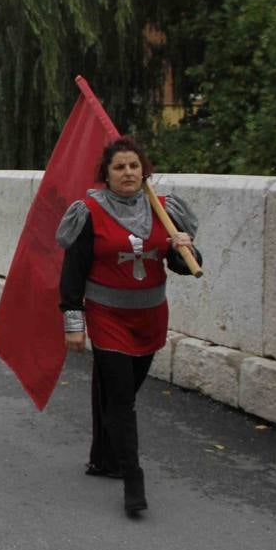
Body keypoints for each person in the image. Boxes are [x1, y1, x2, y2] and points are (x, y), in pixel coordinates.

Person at [57, 135, 200, 516]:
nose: (128, 173)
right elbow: (72, 273)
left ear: (144, 171)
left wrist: (182, 247)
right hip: (108, 317)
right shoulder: (88, 211)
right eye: (119, 167)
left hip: (150, 315)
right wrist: (74, 323)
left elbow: (182, 265)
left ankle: (104, 458)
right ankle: (132, 477)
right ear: (106, 173)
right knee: (121, 398)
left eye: (134, 166)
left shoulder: (164, 209)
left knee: (121, 392)